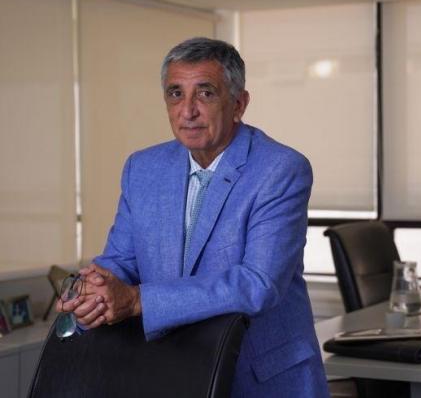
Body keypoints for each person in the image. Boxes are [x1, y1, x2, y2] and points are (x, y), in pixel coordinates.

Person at [58, 37, 329, 397]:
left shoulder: (280, 169)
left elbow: (258, 283)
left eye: (205, 93)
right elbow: (121, 261)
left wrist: (137, 300)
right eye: (175, 94)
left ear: (238, 103)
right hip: (172, 372)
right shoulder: (143, 168)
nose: (187, 111)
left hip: (262, 379)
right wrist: (92, 294)